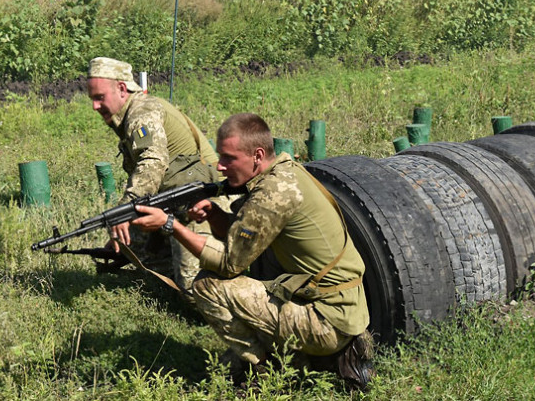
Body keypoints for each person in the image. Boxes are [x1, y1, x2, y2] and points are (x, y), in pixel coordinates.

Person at [130, 112, 374, 390]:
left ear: (258, 155)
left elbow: (228, 264)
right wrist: (214, 215)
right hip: (346, 310)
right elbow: (243, 237)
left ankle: (267, 370)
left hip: (327, 322)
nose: (220, 167)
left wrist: (170, 225)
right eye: (220, 156)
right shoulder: (285, 172)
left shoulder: (272, 195)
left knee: (207, 285)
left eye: (229, 158)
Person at [86, 56, 221, 295]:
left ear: (121, 89)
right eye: (92, 99)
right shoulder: (131, 113)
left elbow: (152, 161)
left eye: (100, 98)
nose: (95, 106)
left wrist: (123, 212)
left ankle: (217, 267)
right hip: (172, 200)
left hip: (199, 203)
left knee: (192, 291)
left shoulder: (141, 114)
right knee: (128, 247)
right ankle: (169, 257)